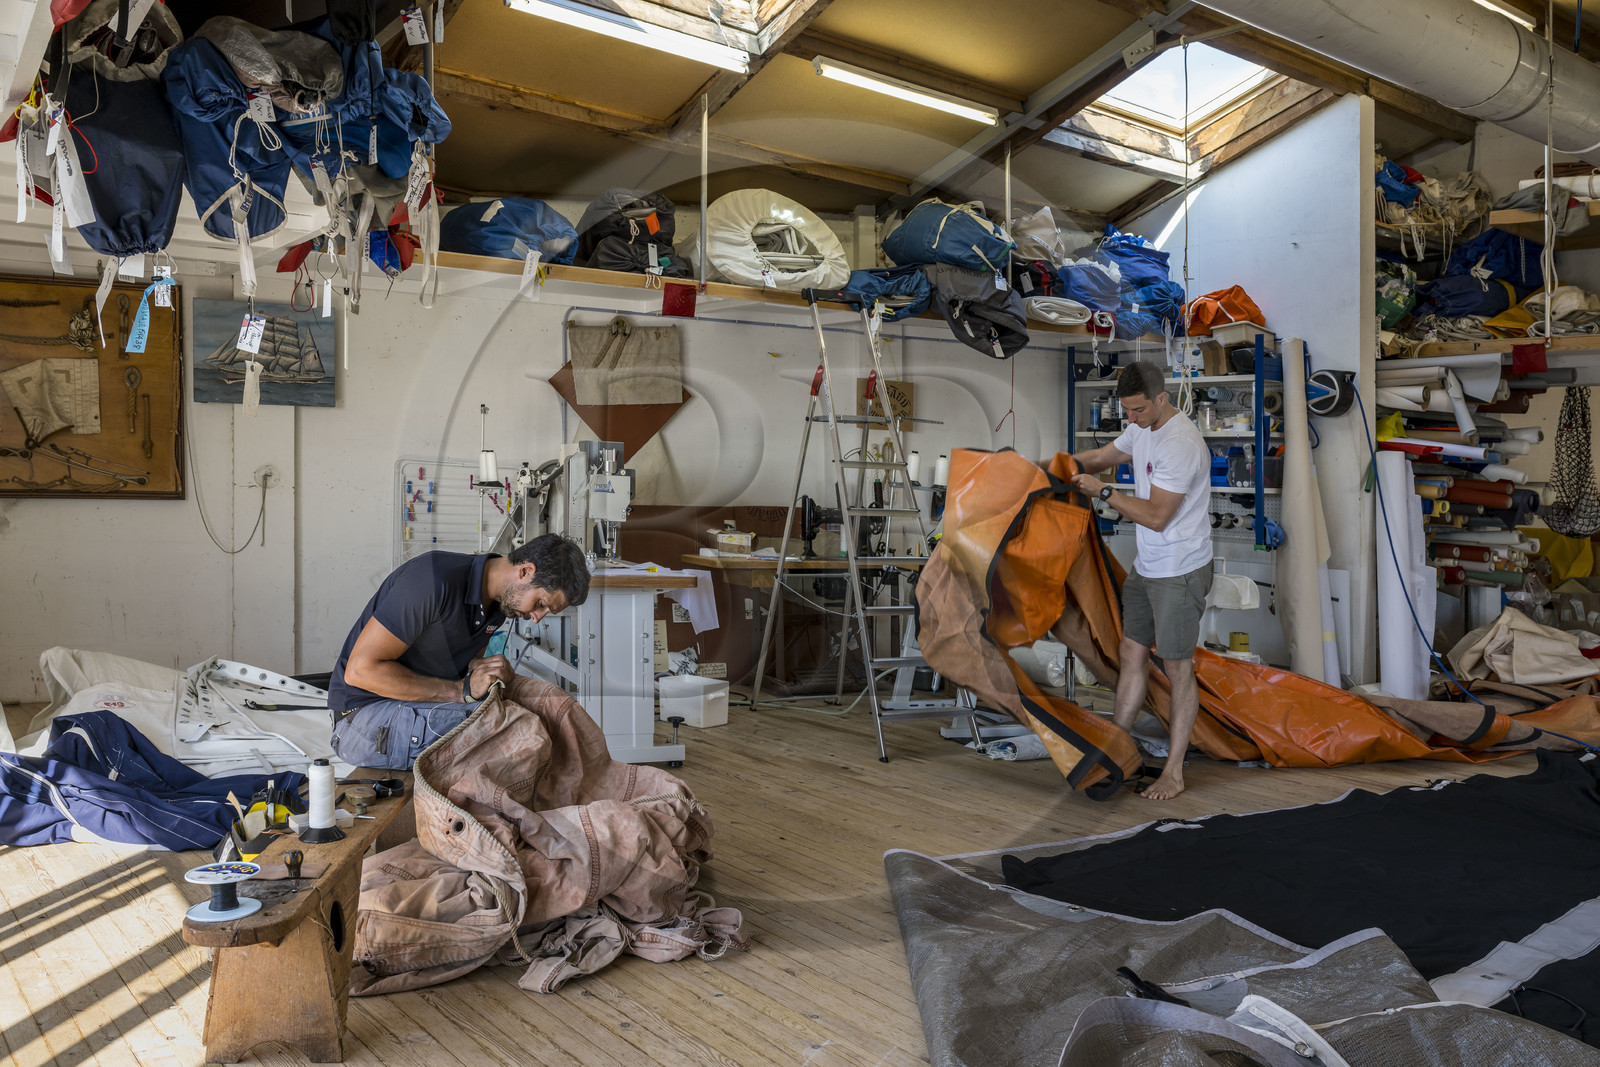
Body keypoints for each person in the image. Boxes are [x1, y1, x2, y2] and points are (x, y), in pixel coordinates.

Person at [1068, 361, 1213, 801]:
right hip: (1148, 567)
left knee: (1176, 668)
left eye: (1136, 409)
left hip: (1180, 569)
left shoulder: (1181, 442)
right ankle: (1115, 747)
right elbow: (1102, 456)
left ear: (1161, 399)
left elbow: (1155, 516)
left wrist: (1104, 492)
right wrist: (1046, 466)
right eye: (1125, 410)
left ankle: (1173, 772)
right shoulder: (1141, 428)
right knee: (1130, 653)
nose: (1130, 418)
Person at [327, 533, 591, 769]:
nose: (536, 617)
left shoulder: (500, 604)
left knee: (554, 706)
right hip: (362, 717)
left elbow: (468, 660)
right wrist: (458, 690)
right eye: (541, 603)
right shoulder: (431, 580)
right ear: (525, 571)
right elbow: (360, 672)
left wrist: (481, 668)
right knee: (520, 734)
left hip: (418, 704)